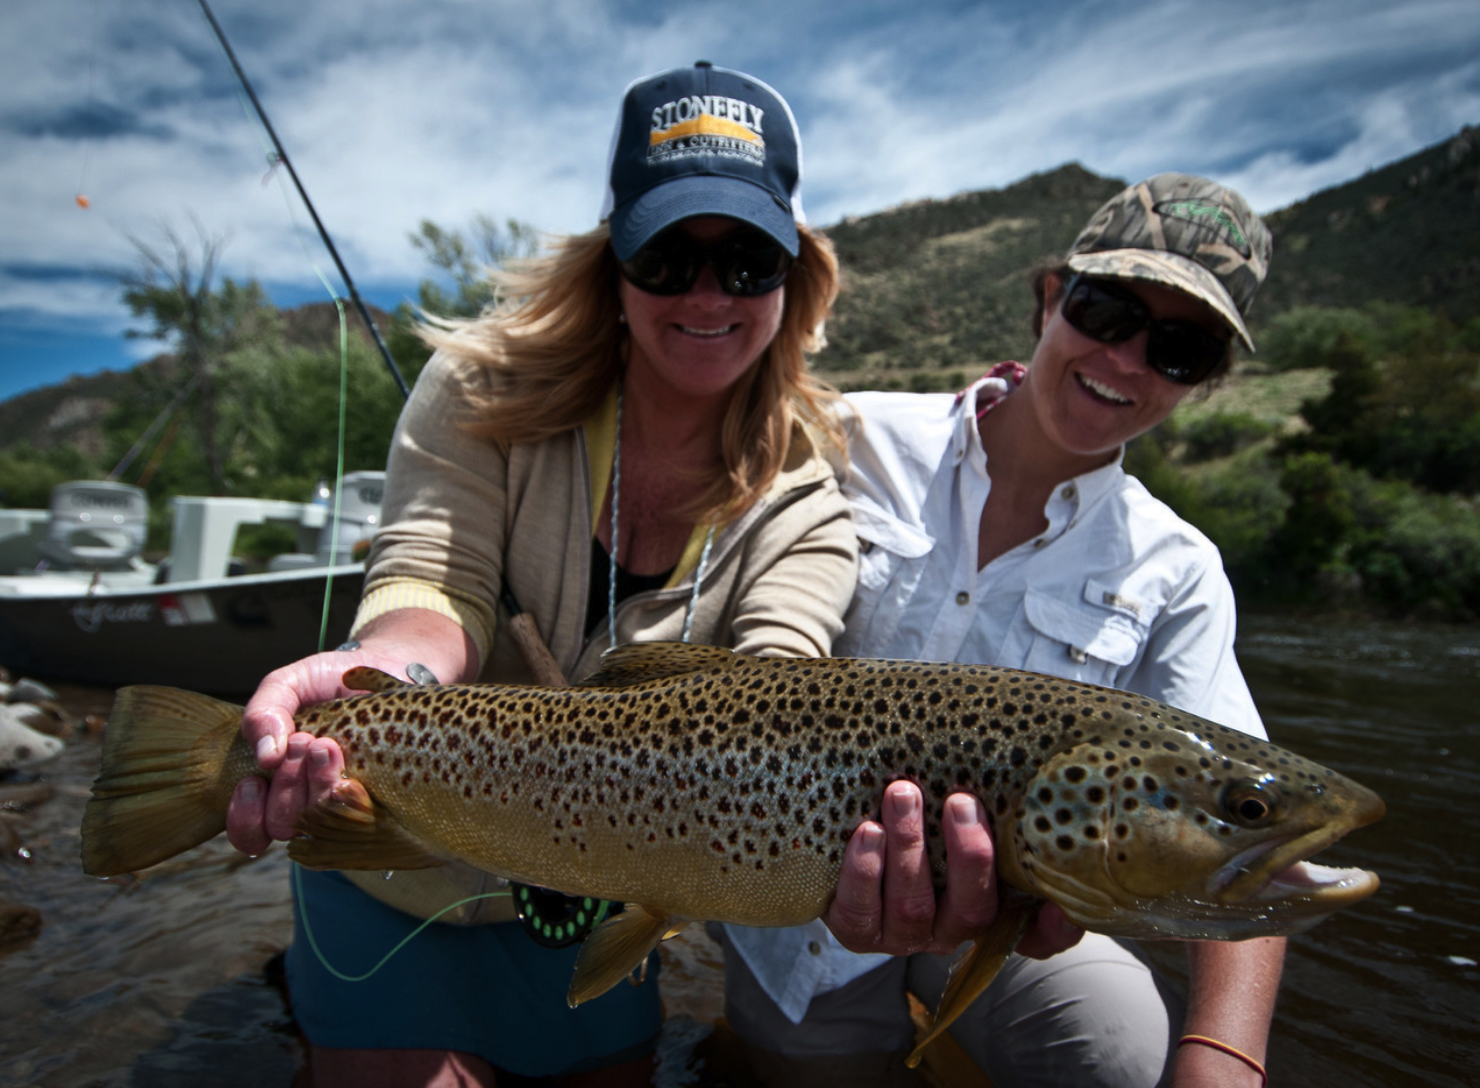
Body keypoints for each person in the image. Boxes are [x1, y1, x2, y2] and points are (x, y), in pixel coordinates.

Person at [221, 61, 865, 1088]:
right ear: (612, 265)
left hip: (594, 892)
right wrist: (381, 679)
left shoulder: (808, 499)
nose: (705, 294)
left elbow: (779, 684)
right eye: (666, 255)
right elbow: (435, 579)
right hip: (389, 846)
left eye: (746, 260)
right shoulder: (481, 385)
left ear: (794, 280)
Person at [717, 173, 1286, 1088]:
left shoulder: (1175, 570)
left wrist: (1224, 1055)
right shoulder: (850, 439)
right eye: (1106, 311)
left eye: (1179, 349)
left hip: (1013, 920)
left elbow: (1235, 822)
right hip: (794, 904)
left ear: (1204, 381)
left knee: (1122, 1056)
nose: (1128, 360)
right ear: (1052, 298)